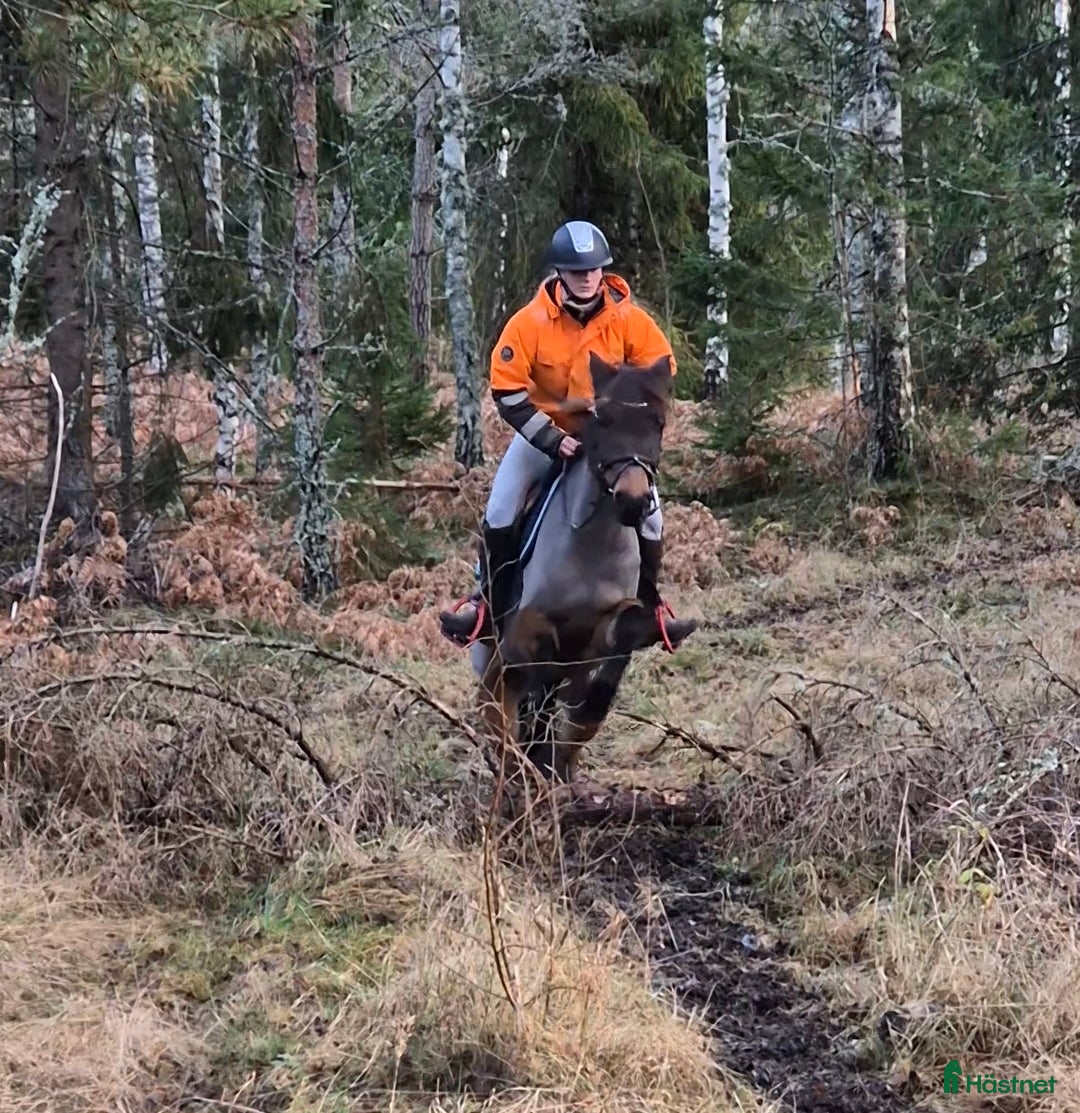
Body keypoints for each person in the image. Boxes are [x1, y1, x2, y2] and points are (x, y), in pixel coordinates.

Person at [438, 219, 695, 650]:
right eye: (578, 271)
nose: (588, 278)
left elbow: (661, 368)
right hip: (546, 433)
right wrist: (553, 440)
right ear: (560, 273)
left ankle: (650, 610)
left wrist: (619, 400)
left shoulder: (628, 319)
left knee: (651, 514)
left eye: (595, 269)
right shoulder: (529, 323)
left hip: (609, 438)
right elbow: (506, 388)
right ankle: (488, 611)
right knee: (500, 508)